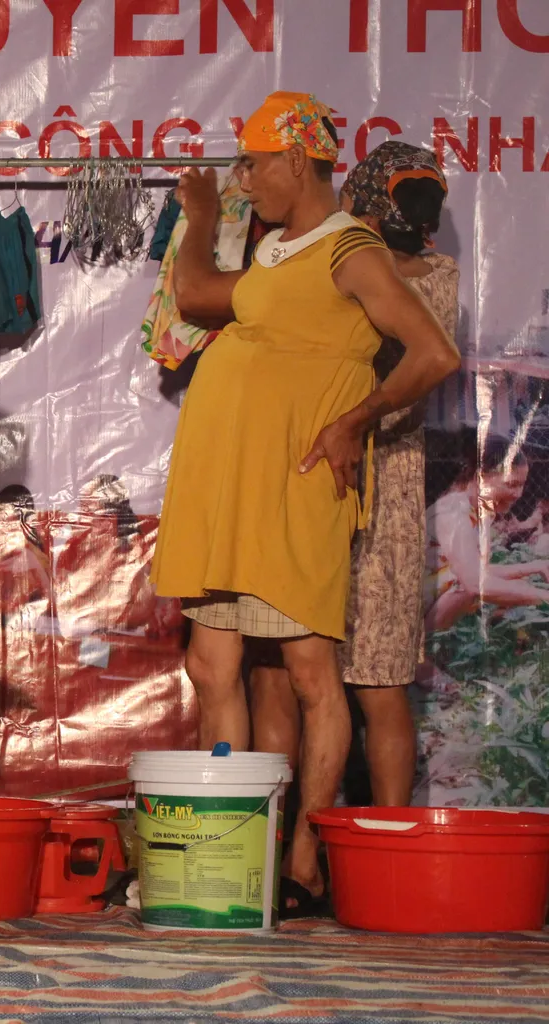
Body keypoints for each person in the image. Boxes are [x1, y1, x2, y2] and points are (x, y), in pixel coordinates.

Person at [151, 93, 460, 913]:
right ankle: (229, 858)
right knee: (209, 665)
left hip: (294, 485)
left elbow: (434, 352)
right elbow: (191, 296)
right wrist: (203, 213)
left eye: (252, 164)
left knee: (312, 672)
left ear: (296, 160)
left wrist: (355, 421)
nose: (245, 180)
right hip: (227, 484)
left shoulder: (350, 251)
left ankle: (304, 859)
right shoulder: (278, 252)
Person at [248, 142, 459, 808]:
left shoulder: (348, 269)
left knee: (308, 675)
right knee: (360, 679)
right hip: (361, 474)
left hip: (342, 469)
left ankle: (284, 854)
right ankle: (352, 851)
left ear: (359, 204)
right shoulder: (435, 275)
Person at [426, 441, 549, 633]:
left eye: (522, 485)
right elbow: (474, 582)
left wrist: (534, 567)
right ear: (481, 477)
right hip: (410, 615)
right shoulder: (454, 512)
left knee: (514, 588)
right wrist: (544, 596)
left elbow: (477, 571)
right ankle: (426, 648)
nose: (518, 494)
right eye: (511, 484)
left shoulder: (477, 512)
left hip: (430, 602)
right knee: (474, 587)